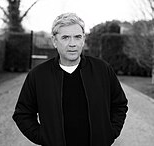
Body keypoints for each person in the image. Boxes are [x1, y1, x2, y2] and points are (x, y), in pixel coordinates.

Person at [12, 12, 128, 146]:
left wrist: (109, 133)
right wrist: (44, 138)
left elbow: (119, 104)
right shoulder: (38, 75)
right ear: (55, 41)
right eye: (65, 37)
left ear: (83, 40)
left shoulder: (102, 70)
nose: (72, 44)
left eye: (77, 37)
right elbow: (22, 114)